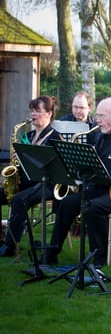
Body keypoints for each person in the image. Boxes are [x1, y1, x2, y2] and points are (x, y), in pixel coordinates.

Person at [44, 97, 111, 267]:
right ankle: (52, 252)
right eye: (97, 115)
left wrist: (95, 175)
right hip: (98, 187)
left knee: (92, 208)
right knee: (68, 202)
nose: (97, 120)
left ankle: (100, 256)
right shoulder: (100, 135)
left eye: (102, 116)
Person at [0, 96, 62, 257]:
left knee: (19, 199)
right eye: (32, 110)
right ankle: (2, 237)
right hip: (27, 181)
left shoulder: (55, 137)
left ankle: (10, 245)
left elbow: (55, 170)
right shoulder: (30, 134)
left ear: (49, 113)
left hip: (47, 184)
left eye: (38, 111)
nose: (33, 115)